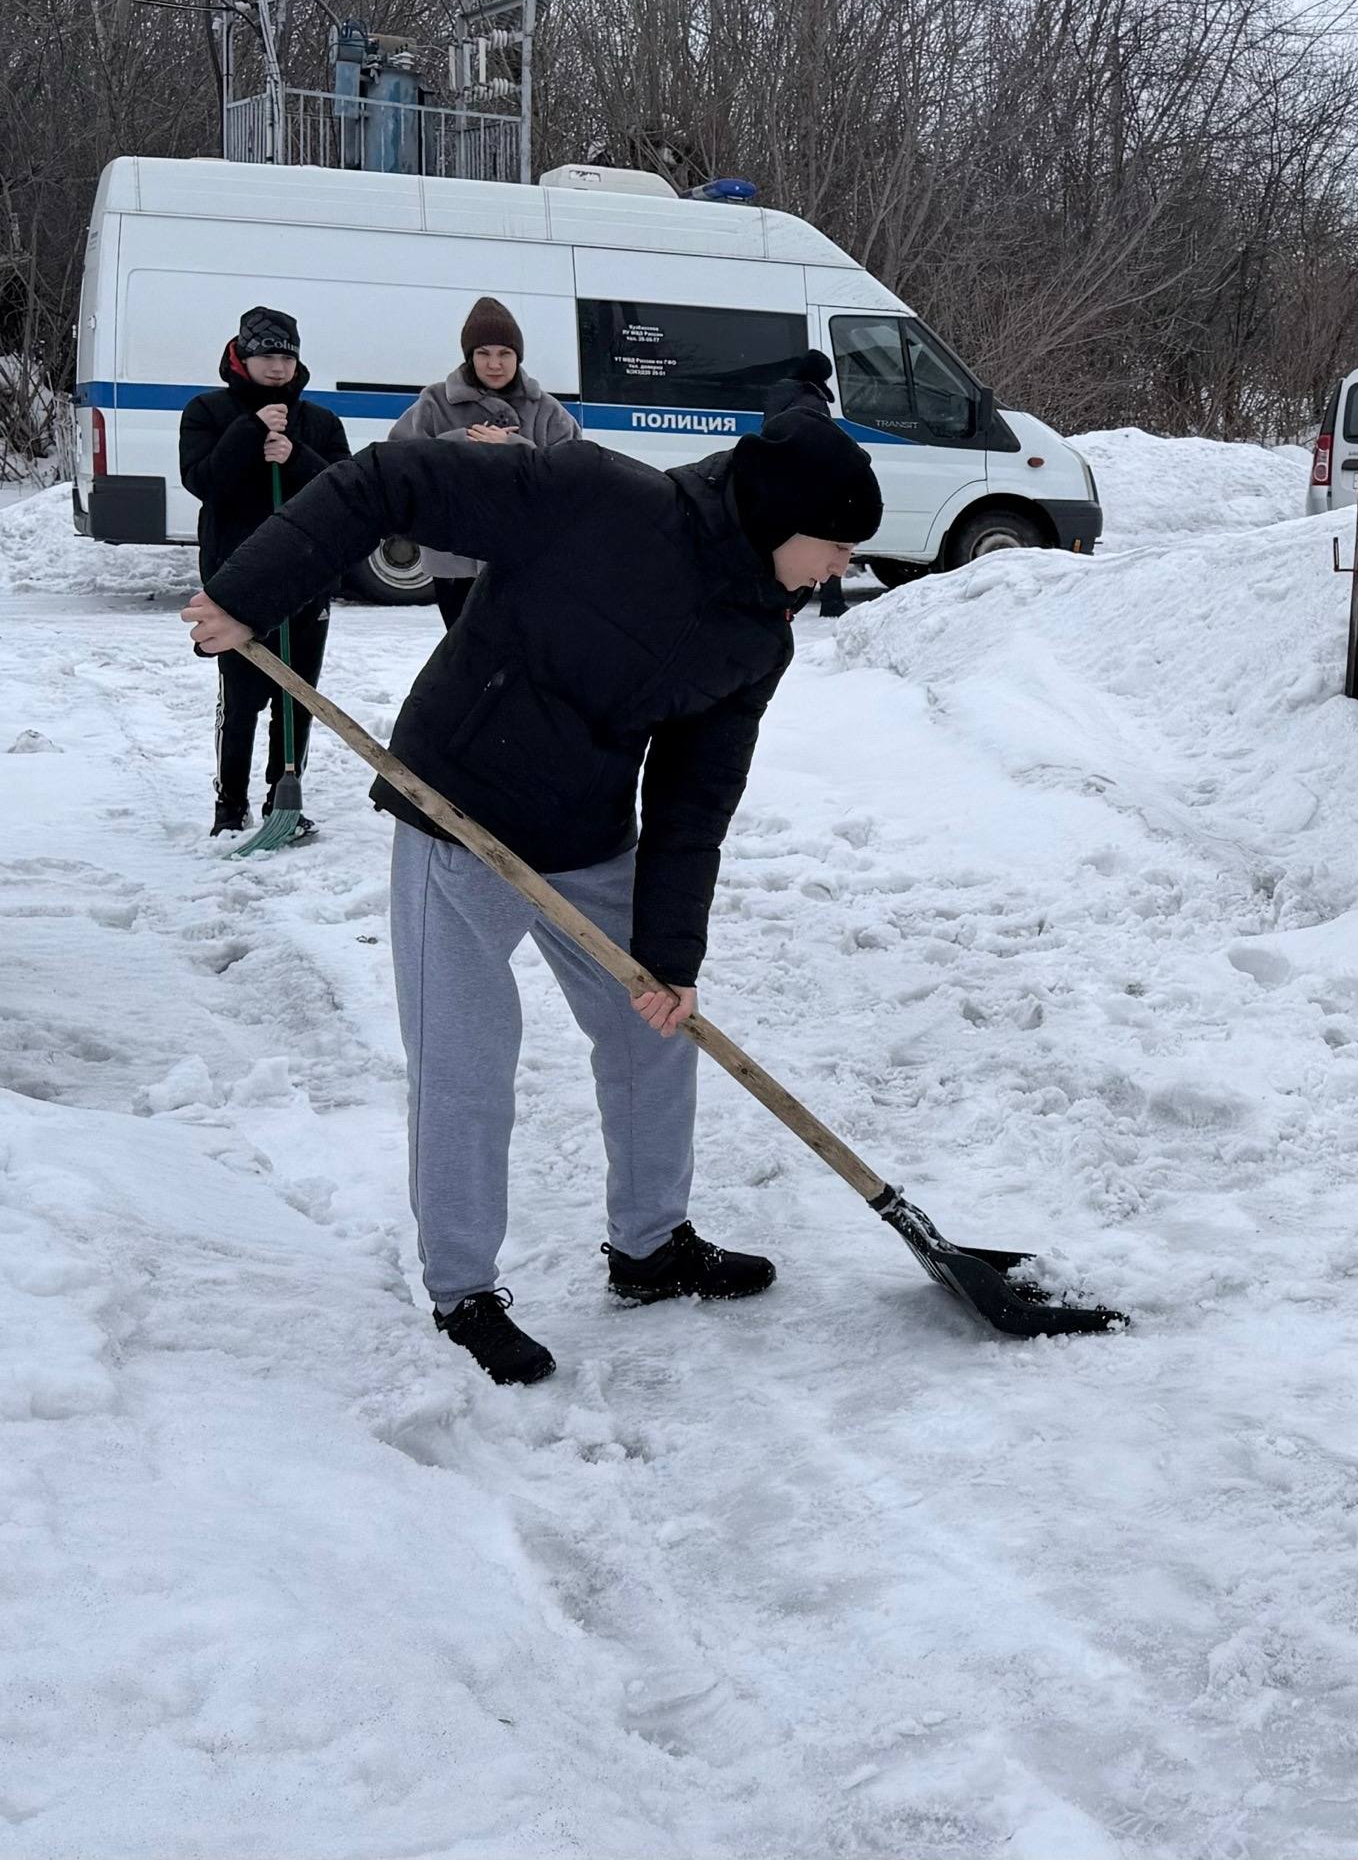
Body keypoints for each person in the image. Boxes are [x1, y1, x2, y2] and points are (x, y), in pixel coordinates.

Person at [180, 351, 883, 1387]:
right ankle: (463, 1291)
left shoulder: (755, 640)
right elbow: (387, 482)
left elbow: (692, 806)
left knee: (654, 1035)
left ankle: (649, 1248)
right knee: (469, 1065)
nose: (840, 569)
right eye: (834, 546)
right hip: (452, 812)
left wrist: (672, 954)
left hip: (588, 833)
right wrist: (249, 592)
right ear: (781, 517)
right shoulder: (588, 493)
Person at [177, 306, 349, 841]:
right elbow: (203, 481)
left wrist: (295, 456)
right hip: (238, 580)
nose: (277, 367)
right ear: (242, 357)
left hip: (305, 578)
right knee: (241, 695)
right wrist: (251, 431)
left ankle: (284, 798)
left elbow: (345, 493)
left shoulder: (319, 422)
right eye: (266, 355)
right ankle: (231, 803)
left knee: (296, 695)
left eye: (286, 355)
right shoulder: (207, 412)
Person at [390, 296, 580, 629]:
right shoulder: (435, 402)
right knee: (465, 660)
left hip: (526, 558)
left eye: (505, 353)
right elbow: (399, 461)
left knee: (521, 659)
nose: (495, 364)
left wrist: (515, 447)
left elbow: (575, 473)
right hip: (454, 562)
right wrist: (460, 443)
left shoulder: (547, 410)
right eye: (484, 353)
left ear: (518, 357)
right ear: (470, 356)